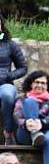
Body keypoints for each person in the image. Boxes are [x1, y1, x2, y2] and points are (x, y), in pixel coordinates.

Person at [12, 70, 49, 164]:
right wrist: (26, 123)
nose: (40, 85)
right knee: (30, 102)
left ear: (47, 85)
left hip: (46, 130)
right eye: (37, 82)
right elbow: (16, 116)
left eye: (43, 83)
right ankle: (35, 134)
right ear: (31, 84)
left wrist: (41, 124)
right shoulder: (22, 99)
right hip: (25, 134)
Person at [0, 14, 28, 145]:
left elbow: (23, 67)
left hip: (4, 84)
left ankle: (8, 133)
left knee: (7, 95)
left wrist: (8, 76)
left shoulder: (10, 45)